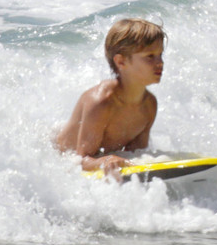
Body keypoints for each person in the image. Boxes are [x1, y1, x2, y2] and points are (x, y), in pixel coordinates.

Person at [57, 18, 166, 172]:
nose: (160, 62)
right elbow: (80, 161)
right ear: (121, 62)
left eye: (160, 54)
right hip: (59, 158)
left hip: (94, 156)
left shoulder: (149, 105)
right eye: (150, 56)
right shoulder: (101, 102)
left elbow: (136, 156)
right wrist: (107, 160)